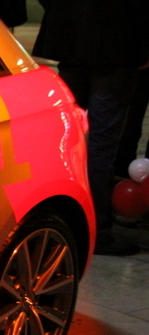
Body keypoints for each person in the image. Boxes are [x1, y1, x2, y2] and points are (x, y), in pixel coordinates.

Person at [33, 0, 149, 256]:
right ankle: (97, 230)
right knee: (101, 142)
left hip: (70, 35)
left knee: (67, 139)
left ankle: (61, 222)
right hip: (118, 40)